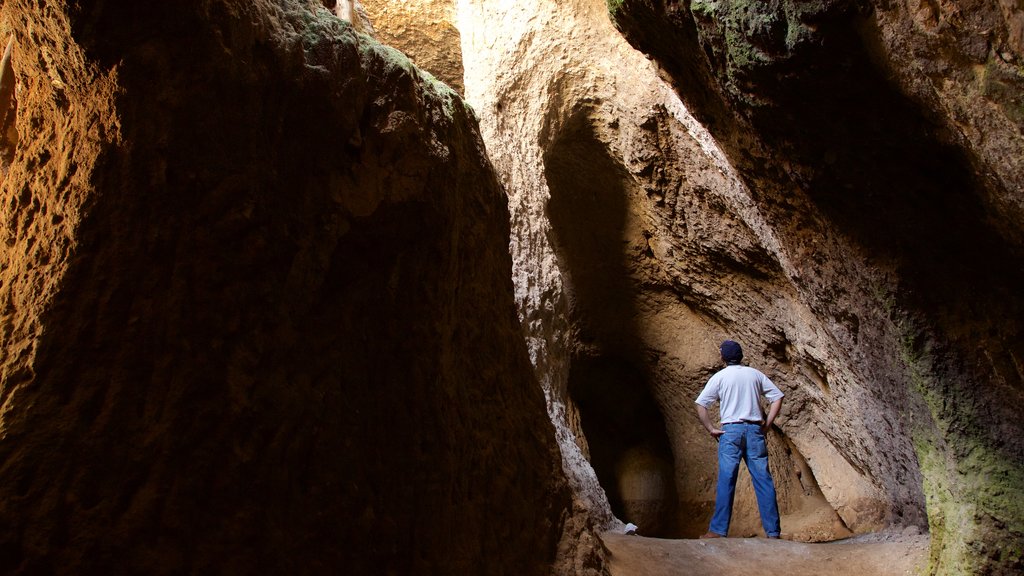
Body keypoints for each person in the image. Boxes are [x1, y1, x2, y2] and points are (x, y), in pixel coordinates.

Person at [694, 339, 784, 539]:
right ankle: (773, 532)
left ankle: (718, 530)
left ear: (723, 357)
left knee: (727, 480)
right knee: (763, 480)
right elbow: (777, 397)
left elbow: (701, 404)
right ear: (741, 356)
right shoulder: (754, 374)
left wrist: (711, 428)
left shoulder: (720, 377)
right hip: (754, 430)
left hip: (730, 432)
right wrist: (767, 424)